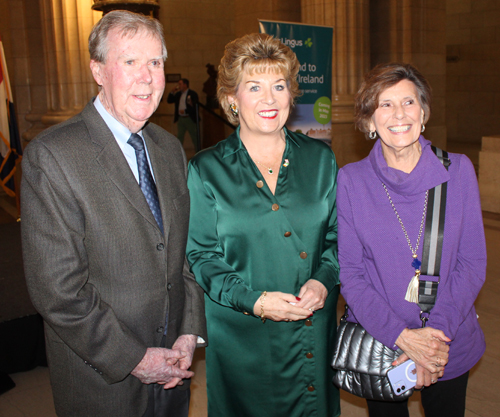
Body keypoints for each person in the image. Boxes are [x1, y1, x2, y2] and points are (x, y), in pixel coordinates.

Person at [21, 11, 206, 417]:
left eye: (155, 62)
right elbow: (59, 292)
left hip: (174, 372)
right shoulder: (53, 156)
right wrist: (136, 359)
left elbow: (184, 258)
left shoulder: (169, 149)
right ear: (98, 71)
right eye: (130, 62)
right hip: (104, 381)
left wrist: (189, 334)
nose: (147, 76)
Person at [186, 33, 341, 417]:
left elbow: (340, 239)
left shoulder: (322, 160)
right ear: (232, 99)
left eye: (279, 86)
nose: (269, 99)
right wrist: (255, 301)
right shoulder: (206, 170)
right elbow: (201, 256)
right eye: (254, 87)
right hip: (243, 338)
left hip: (312, 332)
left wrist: (323, 279)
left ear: (292, 95)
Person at [337, 62, 486, 416]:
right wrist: (403, 338)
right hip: (381, 342)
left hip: (447, 343)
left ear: (424, 113)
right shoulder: (351, 180)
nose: (398, 114)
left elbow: (472, 263)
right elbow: (351, 275)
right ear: (370, 121)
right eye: (384, 104)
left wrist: (432, 339)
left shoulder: (458, 170)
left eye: (408, 102)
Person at [167, 78, 199, 150]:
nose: (179, 86)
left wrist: (185, 111)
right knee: (180, 136)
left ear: (185, 85)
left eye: (180, 84)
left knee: (194, 136)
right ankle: (178, 153)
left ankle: (198, 152)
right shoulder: (178, 94)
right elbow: (169, 100)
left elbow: (195, 106)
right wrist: (172, 91)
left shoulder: (192, 94)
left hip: (189, 118)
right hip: (181, 118)